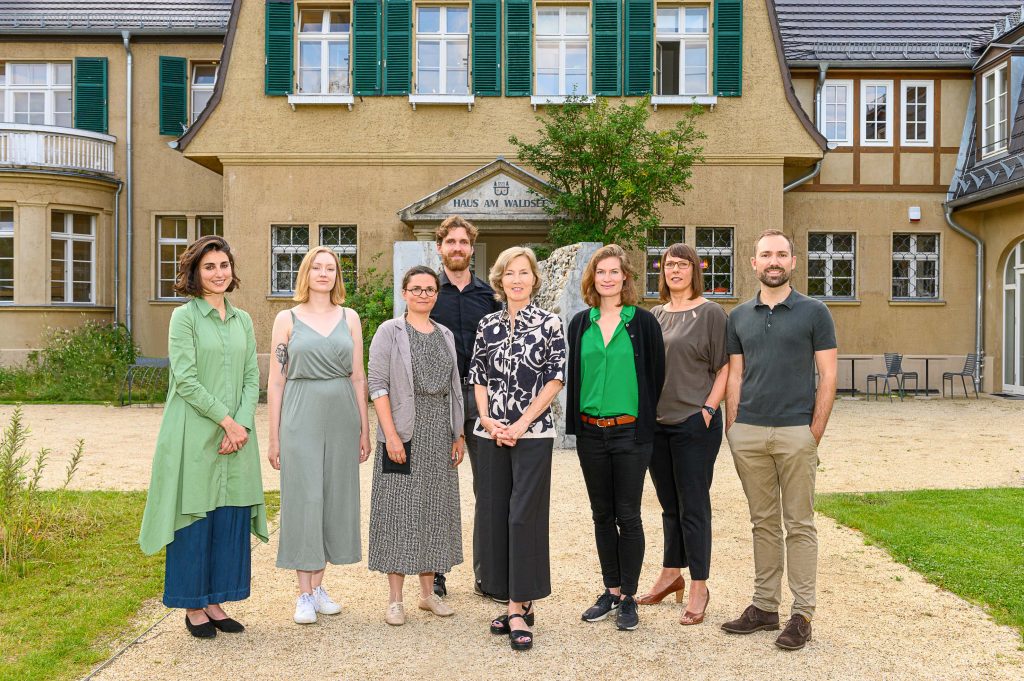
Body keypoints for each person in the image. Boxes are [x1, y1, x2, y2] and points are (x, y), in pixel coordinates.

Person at [139, 235, 267, 639]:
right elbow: (186, 379)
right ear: (195, 273)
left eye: (224, 266)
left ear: (232, 270)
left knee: (228, 516)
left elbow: (251, 377)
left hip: (238, 437)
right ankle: (194, 605)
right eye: (209, 267)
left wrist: (242, 424)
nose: (218, 274)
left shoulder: (244, 319)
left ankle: (216, 599)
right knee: (194, 516)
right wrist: (226, 422)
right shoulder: (185, 317)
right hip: (194, 433)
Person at [721, 229, 837, 651]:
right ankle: (765, 607)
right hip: (747, 431)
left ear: (793, 262)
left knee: (800, 524)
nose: (774, 261)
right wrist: (732, 428)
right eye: (766, 254)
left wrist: (813, 433)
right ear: (753, 263)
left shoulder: (814, 312)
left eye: (781, 254)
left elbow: (828, 376)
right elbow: (734, 374)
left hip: (796, 432)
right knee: (762, 523)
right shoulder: (738, 316)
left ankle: (802, 614)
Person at [267, 246, 371, 625]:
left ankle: (321, 585)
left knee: (333, 497)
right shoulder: (287, 318)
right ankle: (303, 593)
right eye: (317, 267)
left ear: (337, 277)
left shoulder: (351, 317)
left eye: (331, 268)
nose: (324, 274)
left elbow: (358, 376)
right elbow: (276, 381)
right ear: (306, 274)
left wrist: (365, 427)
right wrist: (274, 436)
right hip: (300, 411)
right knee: (305, 497)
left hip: (342, 414)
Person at [469, 246, 566, 651]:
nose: (517, 280)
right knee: (493, 513)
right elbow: (477, 376)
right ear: (500, 279)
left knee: (523, 516)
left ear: (534, 279)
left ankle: (517, 606)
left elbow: (555, 378)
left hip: (533, 434)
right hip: (490, 434)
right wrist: (489, 419)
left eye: (524, 273)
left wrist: (522, 422)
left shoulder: (550, 323)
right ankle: (513, 599)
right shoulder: (487, 325)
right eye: (510, 273)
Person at [565, 245, 664, 631]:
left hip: (630, 433)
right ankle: (610, 589)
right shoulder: (580, 323)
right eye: (600, 272)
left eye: (614, 272)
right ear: (593, 279)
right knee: (601, 515)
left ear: (625, 277)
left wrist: (643, 423)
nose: (607, 278)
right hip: (592, 432)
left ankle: (629, 598)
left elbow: (656, 374)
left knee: (629, 514)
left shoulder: (642, 323)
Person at [367, 265, 466, 626]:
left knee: (434, 511)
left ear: (436, 295)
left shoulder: (445, 334)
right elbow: (377, 385)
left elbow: (455, 387)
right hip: (403, 432)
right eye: (416, 289)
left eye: (430, 289)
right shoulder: (389, 332)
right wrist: (391, 435)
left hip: (440, 432)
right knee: (398, 512)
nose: (423, 294)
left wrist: (459, 433)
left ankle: (427, 596)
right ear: (404, 293)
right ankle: (395, 599)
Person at [638, 243, 728, 627]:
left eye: (682, 264)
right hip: (659, 425)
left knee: (694, 506)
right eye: (668, 265)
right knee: (669, 505)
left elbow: (725, 366)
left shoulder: (710, 313)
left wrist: (708, 409)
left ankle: (699, 585)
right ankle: (670, 572)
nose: (675, 270)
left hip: (695, 422)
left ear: (695, 270)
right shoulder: (655, 314)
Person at [428, 215, 501, 600]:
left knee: (488, 490)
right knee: (438, 490)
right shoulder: (427, 293)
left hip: (480, 403)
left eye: (463, 242)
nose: (457, 248)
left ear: (472, 249)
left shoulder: (489, 297)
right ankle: (436, 573)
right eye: (450, 242)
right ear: (439, 247)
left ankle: (487, 575)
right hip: (436, 404)